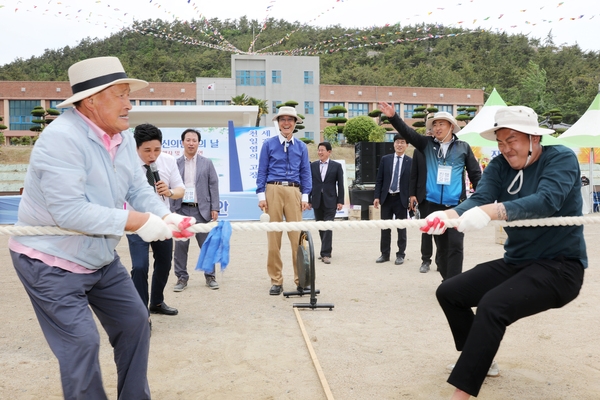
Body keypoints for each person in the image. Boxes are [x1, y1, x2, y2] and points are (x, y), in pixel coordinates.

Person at [8, 56, 195, 399]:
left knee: (135, 322)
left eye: (129, 94)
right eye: (121, 95)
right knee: (81, 342)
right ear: (91, 101)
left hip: (98, 257)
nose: (130, 104)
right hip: (49, 260)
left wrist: (165, 216)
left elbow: (138, 190)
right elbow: (69, 212)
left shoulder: (122, 139)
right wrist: (139, 221)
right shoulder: (60, 139)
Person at [424, 106, 586, 400]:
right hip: (518, 262)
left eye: (512, 140)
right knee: (450, 291)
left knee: (492, 305)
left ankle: (461, 393)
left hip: (560, 267)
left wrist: (493, 212)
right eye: (500, 142)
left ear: (534, 139)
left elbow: (546, 201)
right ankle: (481, 360)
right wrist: (446, 216)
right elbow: (480, 198)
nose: (506, 148)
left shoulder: (560, 158)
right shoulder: (499, 166)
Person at [378, 103, 481, 279]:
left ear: (451, 127)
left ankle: (454, 283)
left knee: (455, 245)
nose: (437, 127)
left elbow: (476, 174)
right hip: (432, 206)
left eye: (441, 124)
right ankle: (446, 278)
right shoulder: (426, 145)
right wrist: (393, 116)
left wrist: (482, 201)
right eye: (434, 124)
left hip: (456, 206)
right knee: (441, 248)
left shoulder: (463, 147)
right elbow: (409, 133)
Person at [128, 123, 186, 318]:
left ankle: (157, 302)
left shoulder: (168, 161)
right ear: (137, 148)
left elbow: (180, 190)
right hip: (137, 222)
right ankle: (140, 312)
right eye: (147, 150)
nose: (152, 155)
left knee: (164, 262)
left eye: (157, 150)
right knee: (140, 266)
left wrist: (169, 192)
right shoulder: (127, 164)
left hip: (163, 221)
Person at [256, 106, 312, 295]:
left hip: (294, 190)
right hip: (273, 189)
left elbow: (306, 172)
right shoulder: (268, 144)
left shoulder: (301, 146)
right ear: (278, 123)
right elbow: (262, 170)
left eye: (290, 119)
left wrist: (305, 196)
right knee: (273, 238)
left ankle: (301, 279)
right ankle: (276, 280)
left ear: (295, 123)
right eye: (283, 119)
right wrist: (261, 195)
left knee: (297, 238)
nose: (286, 123)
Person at [171, 128, 220, 291]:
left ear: (199, 143)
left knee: (206, 245)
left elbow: (213, 185)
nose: (191, 143)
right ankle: (181, 278)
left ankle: (210, 276)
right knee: (180, 247)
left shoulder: (207, 163)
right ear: (182, 142)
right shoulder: (175, 163)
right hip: (181, 209)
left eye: (194, 140)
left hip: (202, 210)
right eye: (188, 140)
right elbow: (171, 187)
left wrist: (215, 207)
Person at [373, 134, 412, 265]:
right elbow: (379, 180)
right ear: (393, 144)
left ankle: (400, 254)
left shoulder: (410, 162)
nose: (399, 145)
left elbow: (412, 182)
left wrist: (411, 199)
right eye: (397, 142)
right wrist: (377, 196)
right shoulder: (386, 159)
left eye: (402, 142)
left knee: (401, 228)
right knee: (385, 228)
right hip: (387, 198)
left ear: (407, 145)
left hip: (401, 199)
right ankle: (384, 254)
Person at [309, 141, 345, 264]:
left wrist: (340, 201)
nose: (320, 152)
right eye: (319, 150)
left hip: (331, 201)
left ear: (329, 152)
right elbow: (309, 184)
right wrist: (308, 200)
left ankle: (326, 253)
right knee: (320, 226)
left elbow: (340, 185)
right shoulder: (312, 166)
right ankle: (325, 250)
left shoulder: (336, 166)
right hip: (317, 200)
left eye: (322, 150)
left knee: (328, 226)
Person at [409, 145, 434, 273]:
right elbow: (414, 174)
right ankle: (425, 260)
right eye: (429, 129)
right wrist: (412, 194)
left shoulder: (443, 150)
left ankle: (441, 261)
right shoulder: (418, 151)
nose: (431, 132)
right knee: (426, 230)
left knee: (443, 231)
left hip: (441, 197)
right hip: (424, 197)